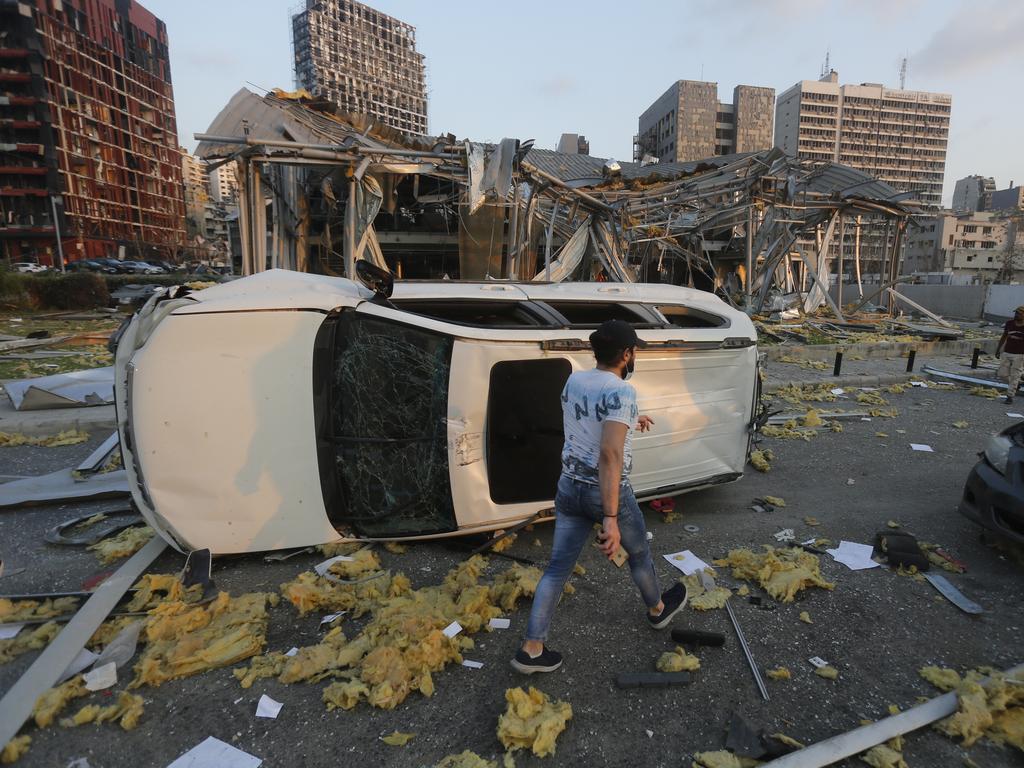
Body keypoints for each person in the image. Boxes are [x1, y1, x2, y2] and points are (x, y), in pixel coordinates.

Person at [511, 319, 688, 674]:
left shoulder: (575, 378)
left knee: (558, 568)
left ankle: (531, 648)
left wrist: (631, 419)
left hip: (568, 487)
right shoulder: (622, 391)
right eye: (633, 350)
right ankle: (657, 611)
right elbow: (609, 454)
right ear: (626, 354)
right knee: (638, 555)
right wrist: (610, 517)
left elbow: (587, 418)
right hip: (606, 493)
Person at [995, 305, 1024, 405]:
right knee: (1002, 374)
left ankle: (1010, 396)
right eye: (1016, 313)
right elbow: (1004, 336)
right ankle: (1017, 383)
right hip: (1007, 352)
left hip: (1020, 354)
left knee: (1015, 375)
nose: (1016, 315)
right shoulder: (1009, 323)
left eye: (1019, 313)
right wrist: (998, 349)